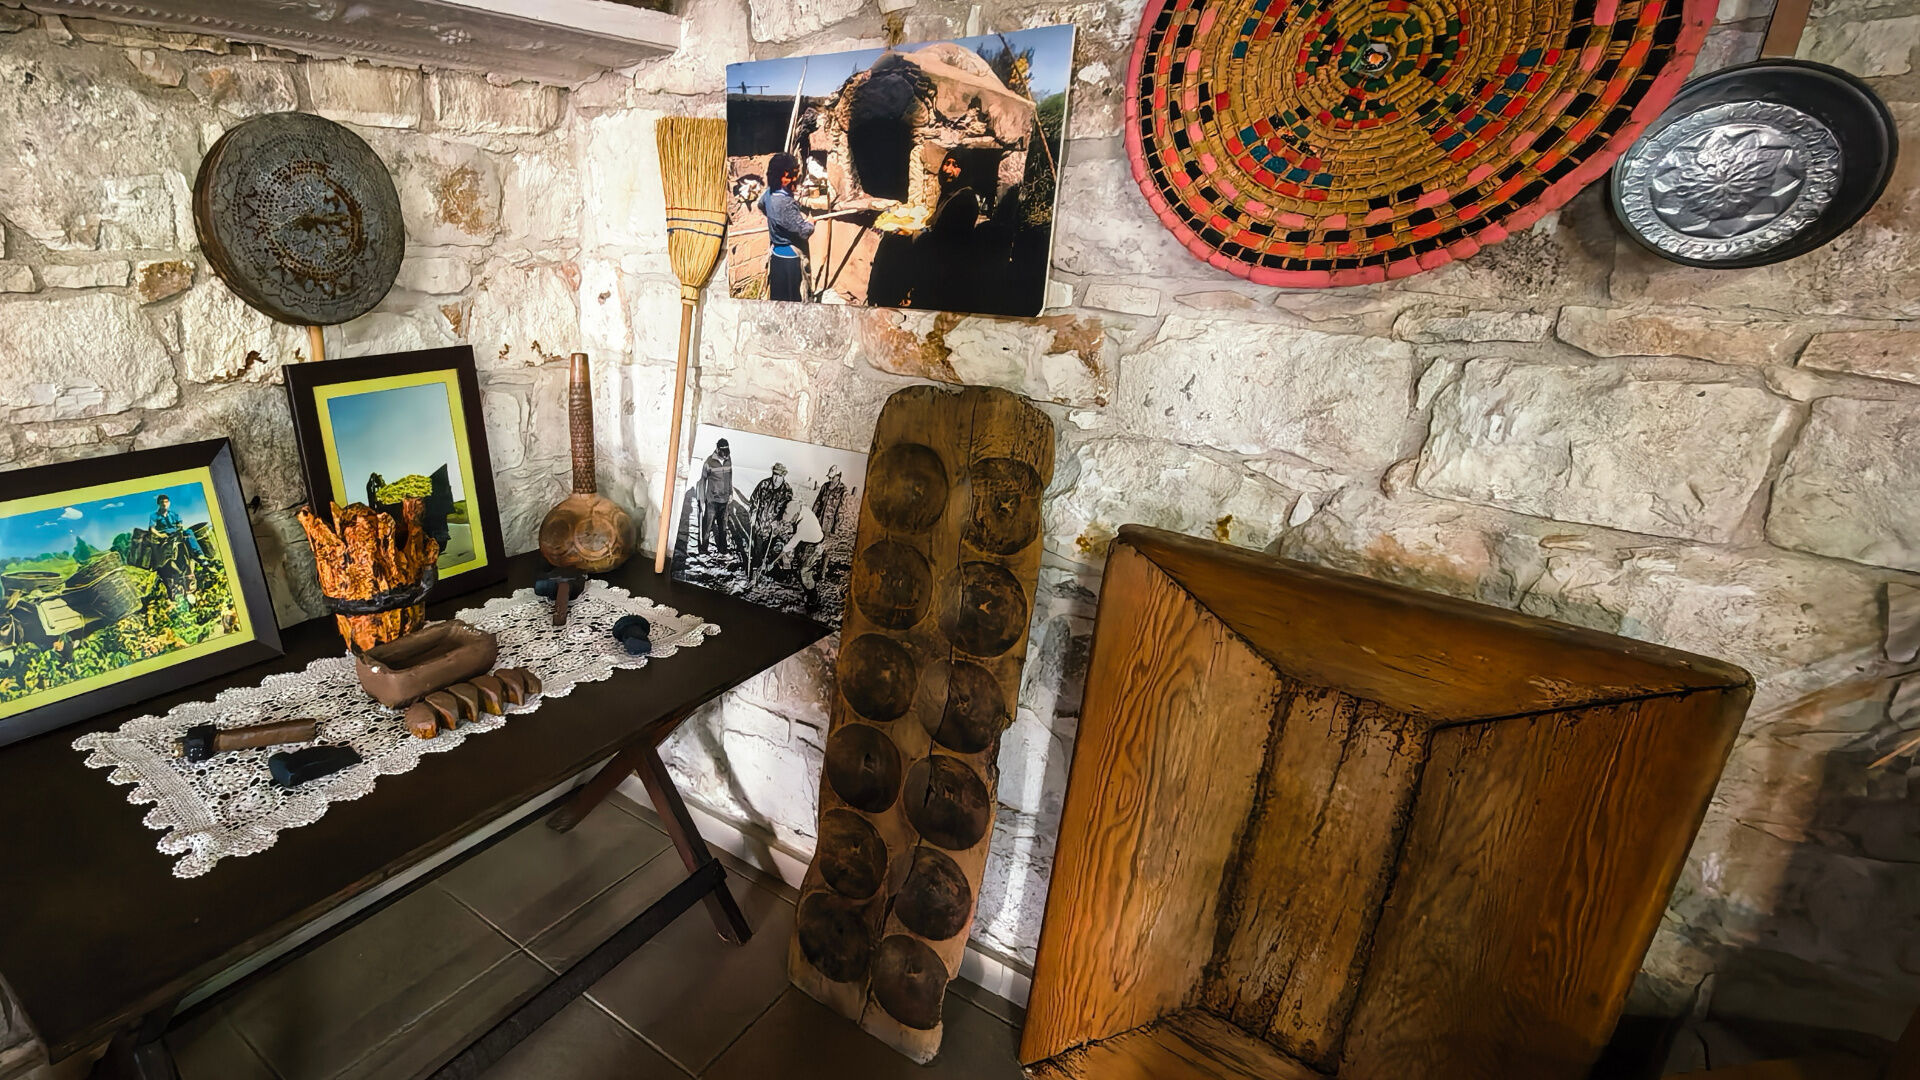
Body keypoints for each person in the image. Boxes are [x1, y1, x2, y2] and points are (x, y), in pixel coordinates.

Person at [759, 152, 815, 303]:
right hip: (791, 260)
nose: (794, 179)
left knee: (778, 300)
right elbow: (804, 231)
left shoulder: (769, 194)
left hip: (776, 255)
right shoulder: (785, 203)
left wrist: (776, 219)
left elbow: (761, 205)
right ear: (781, 176)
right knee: (794, 301)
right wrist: (810, 222)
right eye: (790, 176)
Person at [695, 439, 733, 558]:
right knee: (707, 526)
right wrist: (702, 500)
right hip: (712, 501)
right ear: (717, 449)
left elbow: (730, 478)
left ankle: (723, 550)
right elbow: (703, 480)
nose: (725, 456)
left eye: (726, 452)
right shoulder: (709, 462)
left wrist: (730, 493)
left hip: (724, 501)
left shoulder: (729, 459)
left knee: (723, 528)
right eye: (723, 453)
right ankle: (703, 550)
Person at [149, 493, 206, 559]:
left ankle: (199, 555)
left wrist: (179, 527)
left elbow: (180, 523)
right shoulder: (154, 515)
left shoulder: (174, 514)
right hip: (165, 535)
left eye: (166, 502)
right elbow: (152, 528)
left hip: (176, 533)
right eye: (162, 502)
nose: (164, 504)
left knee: (189, 531)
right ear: (158, 504)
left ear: (169, 503)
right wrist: (160, 535)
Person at [814, 465, 847, 538]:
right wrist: (813, 516)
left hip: (828, 526)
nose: (830, 479)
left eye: (832, 477)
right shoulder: (825, 486)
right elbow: (817, 503)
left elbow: (841, 511)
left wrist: (836, 527)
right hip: (818, 521)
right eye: (829, 477)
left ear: (838, 476)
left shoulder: (842, 490)